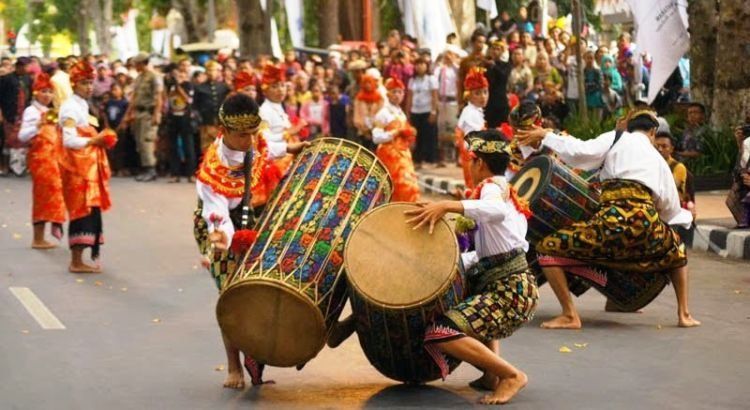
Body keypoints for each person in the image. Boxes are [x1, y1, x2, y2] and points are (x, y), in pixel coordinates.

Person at [515, 110, 701, 329]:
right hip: (648, 226)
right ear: (652, 132)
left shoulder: (617, 138)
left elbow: (579, 151)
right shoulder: (658, 160)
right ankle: (684, 314)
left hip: (612, 223)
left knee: (547, 249)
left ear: (628, 127)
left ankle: (569, 315)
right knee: (677, 249)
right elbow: (670, 209)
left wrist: (547, 135)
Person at [405, 129, 538, 405]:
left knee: (440, 332)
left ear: (479, 162)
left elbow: (495, 212)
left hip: (509, 290)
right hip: (514, 287)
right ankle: (491, 374)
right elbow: (486, 253)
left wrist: (448, 205)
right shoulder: (505, 191)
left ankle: (511, 375)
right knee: (477, 300)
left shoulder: (492, 188)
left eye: (471, 160)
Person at [194, 93, 308, 389]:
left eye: (252, 133)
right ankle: (233, 367)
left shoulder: (254, 141)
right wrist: (230, 241)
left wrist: (293, 147)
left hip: (250, 214)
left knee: (262, 284)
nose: (249, 140)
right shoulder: (211, 170)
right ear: (225, 130)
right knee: (231, 292)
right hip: (219, 227)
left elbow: (268, 150)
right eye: (242, 135)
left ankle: (256, 352)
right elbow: (216, 215)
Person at [59, 61, 117, 273]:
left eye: (91, 82)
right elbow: (69, 140)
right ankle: (76, 261)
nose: (89, 87)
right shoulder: (70, 108)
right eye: (84, 83)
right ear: (74, 84)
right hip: (77, 170)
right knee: (81, 211)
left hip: (89, 168)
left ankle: (81, 258)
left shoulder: (83, 105)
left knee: (91, 211)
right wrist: (95, 141)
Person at [18, 73, 66, 249]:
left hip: (54, 159)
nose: (47, 95)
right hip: (40, 160)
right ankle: (37, 238)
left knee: (52, 196)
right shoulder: (31, 111)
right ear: (36, 93)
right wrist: (38, 125)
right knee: (42, 197)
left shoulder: (52, 111)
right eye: (43, 91)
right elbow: (22, 136)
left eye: (50, 92)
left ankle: (42, 236)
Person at [372, 78, 420, 202]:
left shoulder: (401, 113)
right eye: (394, 92)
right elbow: (376, 137)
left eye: (400, 92)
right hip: (389, 155)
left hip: (403, 154)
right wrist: (395, 133)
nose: (397, 95)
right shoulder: (383, 114)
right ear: (388, 94)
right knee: (397, 186)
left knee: (410, 184)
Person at [259, 64, 308, 177]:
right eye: (274, 86)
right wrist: (289, 133)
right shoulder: (264, 111)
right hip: (276, 162)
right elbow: (263, 139)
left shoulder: (278, 106)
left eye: (282, 85)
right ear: (265, 91)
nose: (280, 89)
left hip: (287, 157)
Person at [121, 52, 163, 182]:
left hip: (149, 113)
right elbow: (134, 98)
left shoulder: (154, 76)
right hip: (139, 113)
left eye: (136, 64)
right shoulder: (139, 78)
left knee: (147, 141)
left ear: (142, 63)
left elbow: (159, 96)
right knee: (140, 142)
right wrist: (128, 114)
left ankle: (151, 169)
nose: (134, 66)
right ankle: (145, 168)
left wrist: (156, 114)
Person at [456, 67, 490, 188]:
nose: (483, 96)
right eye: (478, 93)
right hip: (473, 160)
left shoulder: (475, 110)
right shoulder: (470, 113)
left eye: (485, 92)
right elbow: (470, 142)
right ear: (468, 95)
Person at [0, 57, 32, 176]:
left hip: (24, 114)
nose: (25, 68)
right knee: (7, 141)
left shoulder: (28, 79)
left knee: (23, 140)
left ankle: (20, 166)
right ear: (17, 66)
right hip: (9, 114)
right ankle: (5, 166)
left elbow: (30, 95)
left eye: (27, 66)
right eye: (23, 66)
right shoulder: (6, 79)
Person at [165, 64, 196, 183]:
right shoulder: (170, 86)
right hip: (173, 118)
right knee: (173, 147)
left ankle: (190, 174)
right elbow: (168, 98)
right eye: (177, 75)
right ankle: (174, 173)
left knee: (189, 147)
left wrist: (178, 87)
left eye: (182, 75)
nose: (179, 77)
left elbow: (188, 100)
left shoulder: (188, 85)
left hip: (185, 118)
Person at [406, 57, 439, 167]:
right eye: (417, 64)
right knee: (417, 136)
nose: (420, 66)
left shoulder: (431, 79)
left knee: (429, 136)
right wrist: (408, 113)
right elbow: (409, 97)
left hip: (427, 111)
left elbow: (434, 96)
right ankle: (418, 160)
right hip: (415, 111)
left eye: (422, 64)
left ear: (426, 66)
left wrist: (433, 112)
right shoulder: (412, 80)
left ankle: (431, 160)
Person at [194, 60, 230, 152]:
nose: (211, 73)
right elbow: (195, 106)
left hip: (221, 123)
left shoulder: (223, 87)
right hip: (206, 123)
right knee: (207, 149)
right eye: (209, 70)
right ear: (206, 72)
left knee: (222, 148)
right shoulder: (199, 88)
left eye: (213, 70)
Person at [484, 40, 512, 129]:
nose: (495, 51)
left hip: (501, 101)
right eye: (493, 49)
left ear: (502, 52)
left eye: (498, 49)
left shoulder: (506, 65)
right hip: (489, 101)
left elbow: (503, 76)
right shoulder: (485, 65)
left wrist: (494, 66)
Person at [353, 74, 384, 151]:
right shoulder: (359, 98)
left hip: (376, 130)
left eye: (369, 83)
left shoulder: (379, 98)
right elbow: (356, 115)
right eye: (365, 83)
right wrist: (364, 129)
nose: (367, 85)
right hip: (363, 131)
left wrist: (373, 128)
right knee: (364, 150)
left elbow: (381, 114)